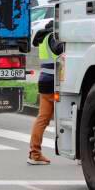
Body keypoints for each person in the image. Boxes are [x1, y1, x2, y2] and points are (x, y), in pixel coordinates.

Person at [28, 21, 64, 165]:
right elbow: (58, 49)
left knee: (43, 118)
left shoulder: (43, 38)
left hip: (44, 80)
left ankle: (34, 154)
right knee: (69, 115)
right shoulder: (52, 37)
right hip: (53, 82)